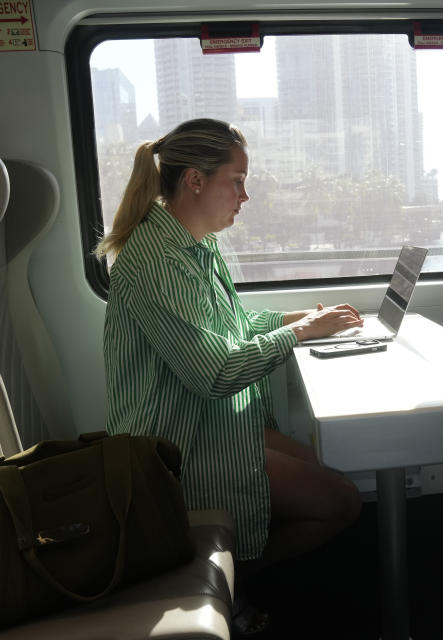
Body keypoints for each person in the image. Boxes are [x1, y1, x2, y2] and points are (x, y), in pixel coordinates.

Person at [95, 118, 363, 632]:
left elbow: (232, 327)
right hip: (175, 450)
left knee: (326, 462)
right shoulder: (156, 260)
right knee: (341, 502)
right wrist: (299, 336)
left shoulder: (196, 245)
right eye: (236, 180)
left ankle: (235, 579)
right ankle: (236, 583)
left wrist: (301, 320)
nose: (245, 195)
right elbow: (215, 372)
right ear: (195, 181)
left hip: (208, 423)